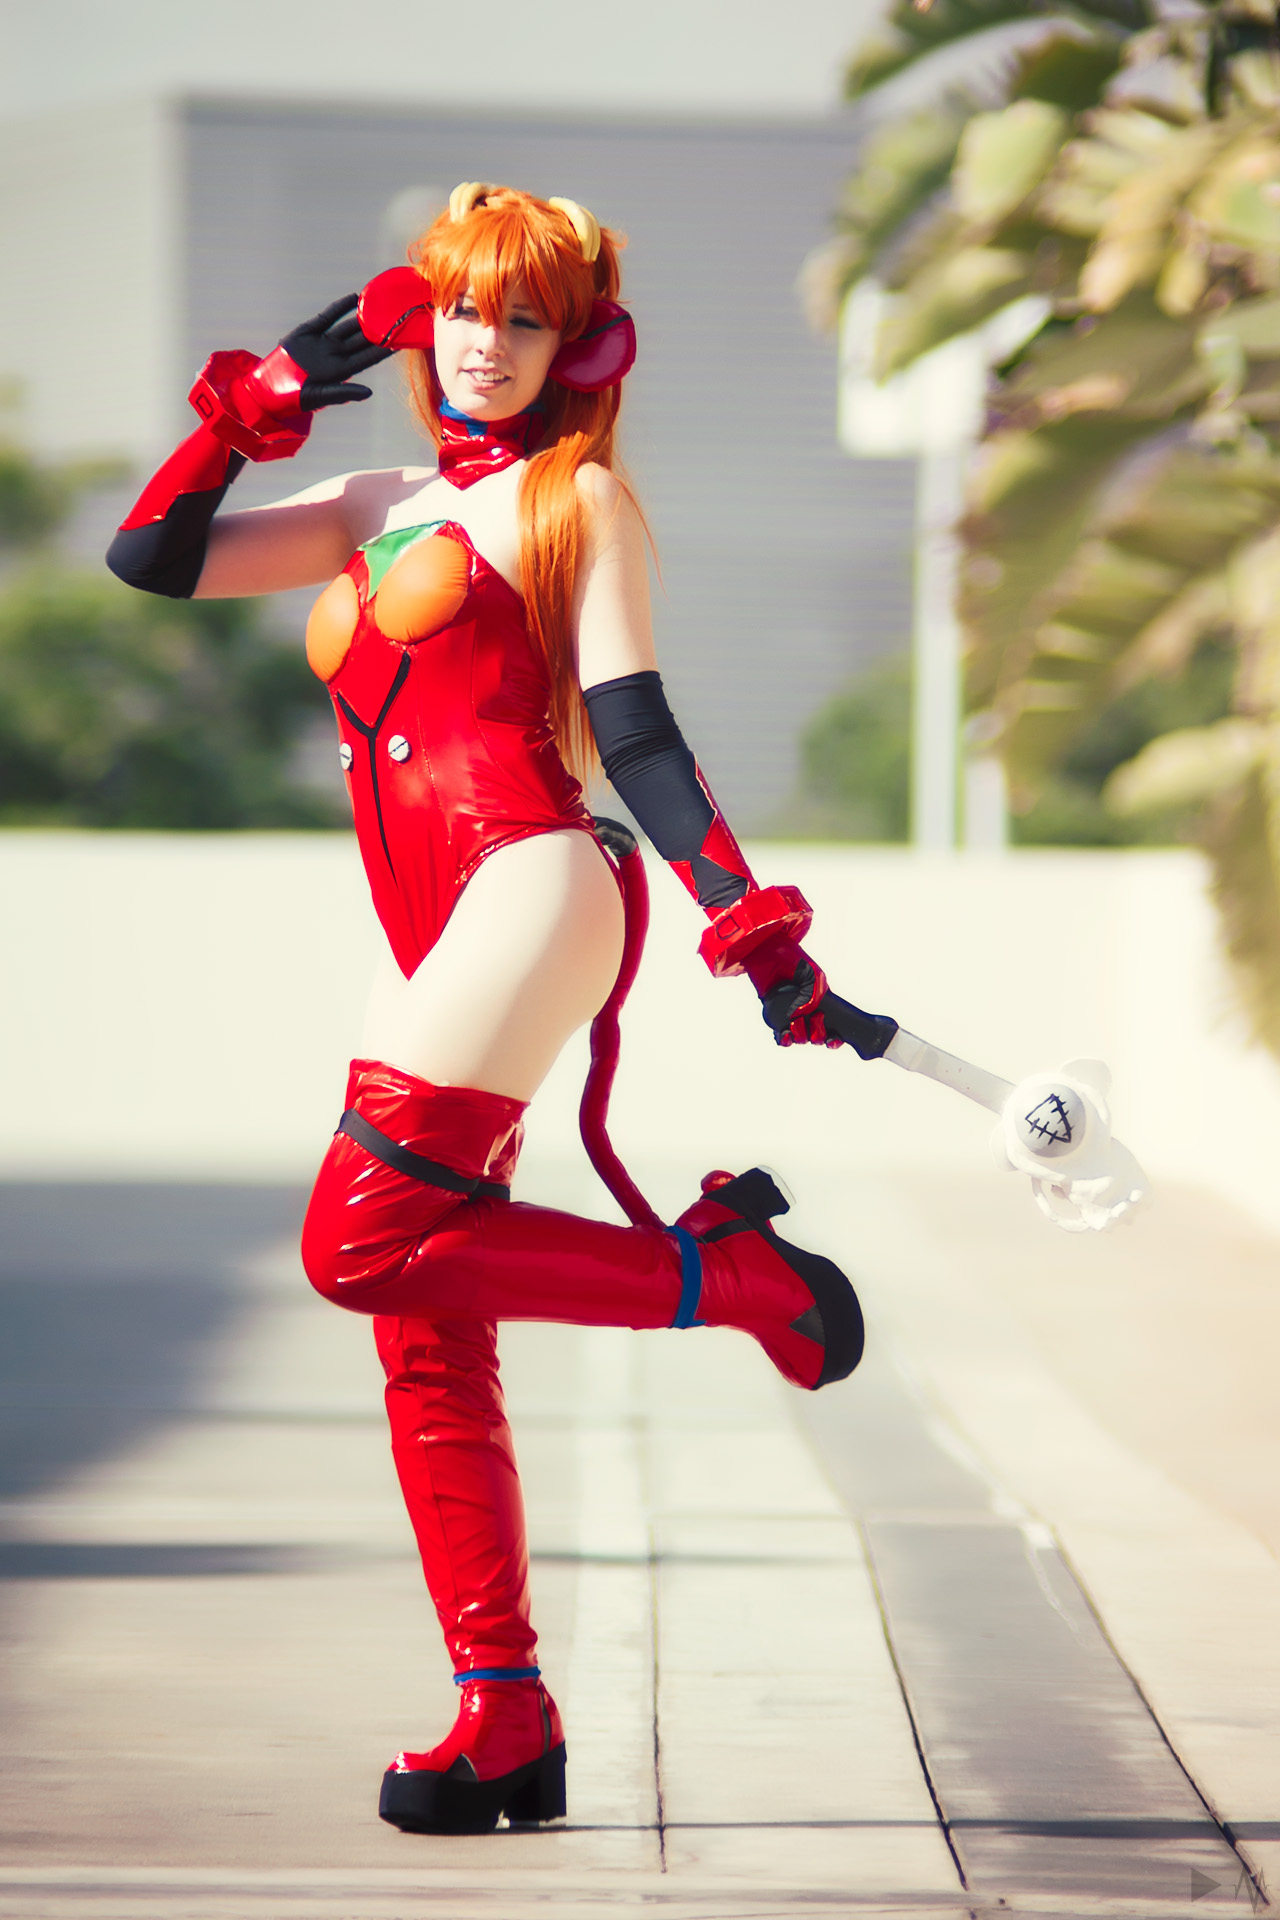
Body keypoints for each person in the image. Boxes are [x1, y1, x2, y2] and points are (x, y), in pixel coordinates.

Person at [107, 182, 863, 1837]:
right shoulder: (376, 500)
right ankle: (502, 1717)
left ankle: (726, 1279)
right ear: (419, 317)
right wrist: (243, 414)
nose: (487, 343)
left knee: (355, 1244)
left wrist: (746, 920)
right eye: (463, 308)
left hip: (531, 881)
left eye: (527, 318)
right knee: (424, 1319)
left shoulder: (576, 501)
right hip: (444, 930)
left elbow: (638, 736)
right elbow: (154, 562)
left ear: (579, 345)